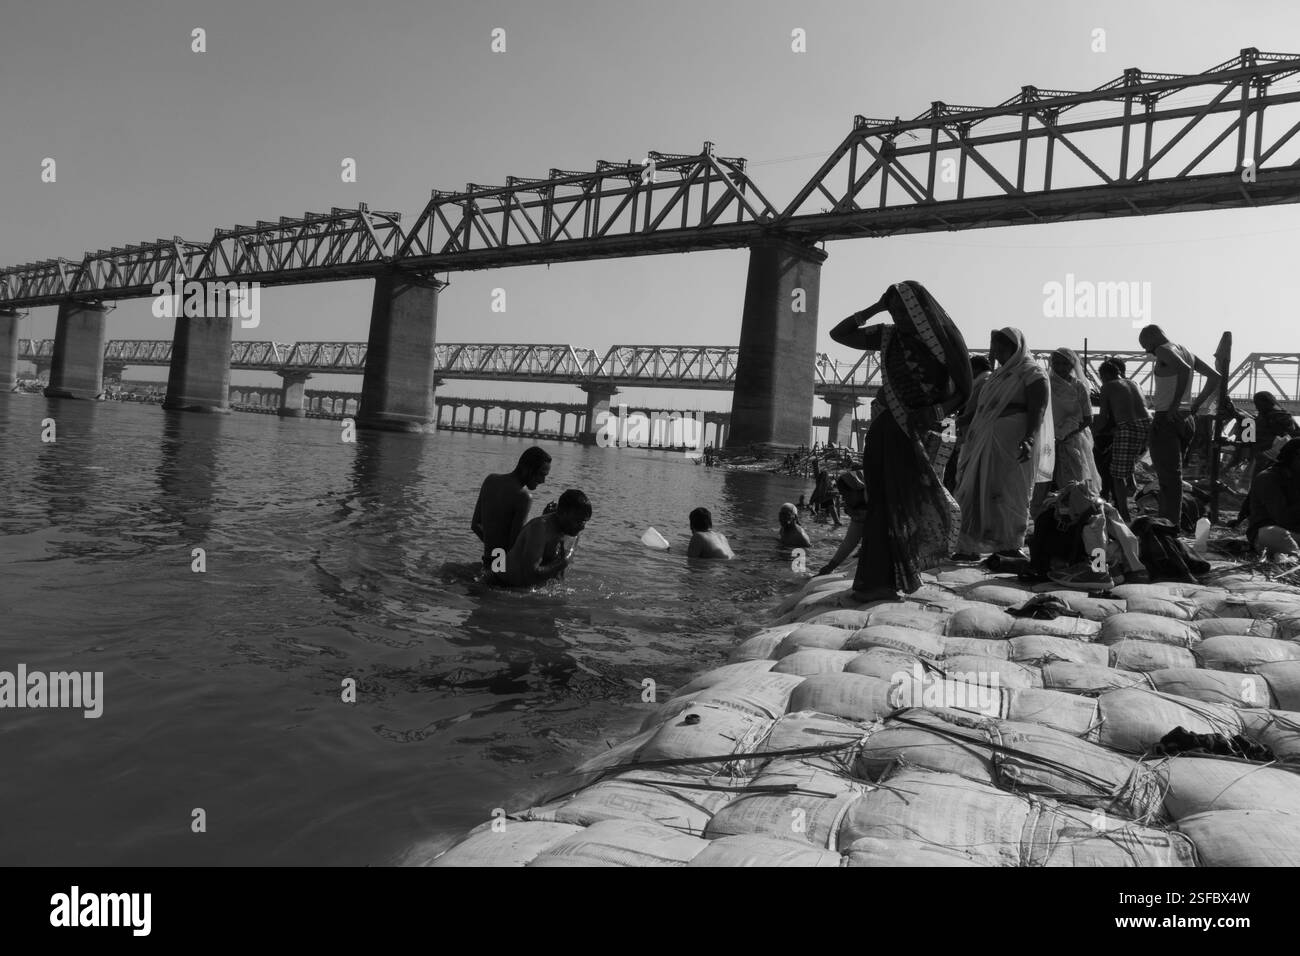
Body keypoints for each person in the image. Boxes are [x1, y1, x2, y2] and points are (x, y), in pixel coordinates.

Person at [829, 280, 972, 600]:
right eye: (893, 310)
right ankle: (878, 580)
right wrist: (873, 309)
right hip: (885, 425)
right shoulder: (887, 335)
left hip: (917, 430)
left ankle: (888, 578)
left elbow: (965, 390)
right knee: (881, 499)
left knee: (902, 502)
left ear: (920, 309)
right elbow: (838, 334)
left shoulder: (945, 340)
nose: (899, 317)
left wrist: (937, 410)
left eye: (903, 310)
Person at [953, 328, 1053, 561]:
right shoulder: (997, 376)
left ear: (1016, 348)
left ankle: (1009, 545)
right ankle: (968, 546)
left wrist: (1029, 438)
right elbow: (980, 409)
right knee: (974, 490)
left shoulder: (1032, 372)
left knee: (1009, 493)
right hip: (983, 442)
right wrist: (953, 420)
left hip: (1013, 443)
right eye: (995, 350)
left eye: (1002, 349)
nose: (998, 355)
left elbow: (1037, 409)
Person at [1139, 325, 1220, 526]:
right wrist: (1196, 405)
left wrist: (1175, 404)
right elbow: (1215, 377)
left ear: (1152, 338)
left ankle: (1170, 525)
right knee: (1173, 475)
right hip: (1186, 419)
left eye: (1146, 347)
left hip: (1167, 417)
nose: (1147, 352)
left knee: (1168, 478)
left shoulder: (1163, 350)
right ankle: (1167, 520)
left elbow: (1183, 369)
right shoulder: (1186, 351)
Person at [471, 446, 552, 570]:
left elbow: (475, 525)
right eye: (541, 474)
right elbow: (515, 545)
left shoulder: (490, 480)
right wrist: (546, 519)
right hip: (503, 570)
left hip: (488, 563)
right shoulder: (524, 497)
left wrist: (493, 551)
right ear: (527, 469)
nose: (543, 481)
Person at [1094, 357, 1151, 523]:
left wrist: (1094, 432)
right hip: (1147, 425)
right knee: (1126, 463)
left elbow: (1104, 416)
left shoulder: (1108, 386)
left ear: (1104, 374)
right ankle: (1131, 486)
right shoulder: (1135, 383)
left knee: (1116, 475)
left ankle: (1124, 514)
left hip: (1127, 427)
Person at [497, 489, 591, 587]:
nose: (583, 527)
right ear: (563, 513)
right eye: (579, 521)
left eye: (585, 521)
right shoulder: (539, 527)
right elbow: (530, 574)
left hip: (523, 589)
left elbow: (559, 575)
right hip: (502, 586)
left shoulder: (573, 531)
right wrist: (561, 564)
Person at [1047, 348, 1101, 495]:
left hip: (1073, 440)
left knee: (1074, 481)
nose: (1060, 367)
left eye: (1064, 363)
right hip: (1048, 439)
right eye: (1056, 363)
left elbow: (1088, 418)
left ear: (1072, 365)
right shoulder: (1046, 384)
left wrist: (1066, 434)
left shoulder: (1079, 386)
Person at [943, 354, 992, 493]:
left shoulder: (983, 382)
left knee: (956, 470)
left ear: (975, 369)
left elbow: (978, 410)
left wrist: (958, 422)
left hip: (969, 434)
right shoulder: (982, 382)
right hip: (963, 432)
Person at [1247, 437, 1300, 557]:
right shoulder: (1268, 479)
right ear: (1294, 457)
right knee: (1272, 533)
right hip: (1270, 534)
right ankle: (1295, 556)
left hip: (1295, 534)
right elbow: (1284, 518)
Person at [817, 471, 867, 575]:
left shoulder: (880, 506)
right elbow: (849, 542)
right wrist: (829, 567)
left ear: (857, 490)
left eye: (846, 494)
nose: (844, 499)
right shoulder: (857, 510)